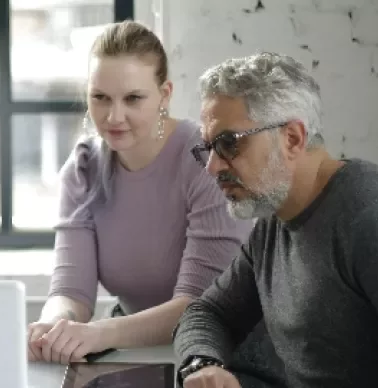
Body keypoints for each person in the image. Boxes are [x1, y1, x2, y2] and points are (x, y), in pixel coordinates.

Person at [27, 21, 283, 387]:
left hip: (224, 361)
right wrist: (53, 326)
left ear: (164, 94)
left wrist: (99, 334)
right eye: (100, 97)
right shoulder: (83, 168)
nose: (114, 116)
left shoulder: (206, 160)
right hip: (136, 355)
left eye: (133, 98)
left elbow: (198, 307)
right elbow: (71, 291)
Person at [174, 52, 378, 388]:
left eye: (229, 143)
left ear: (292, 138)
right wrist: (203, 365)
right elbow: (208, 313)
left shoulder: (376, 217)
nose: (212, 167)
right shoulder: (273, 220)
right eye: (208, 148)